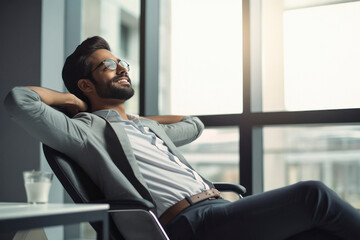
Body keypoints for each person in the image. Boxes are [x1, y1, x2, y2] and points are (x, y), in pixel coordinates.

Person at [4, 36, 360, 240]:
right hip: (188, 226)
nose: (122, 67)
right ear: (86, 84)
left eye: (121, 61)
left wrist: (137, 119)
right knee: (313, 196)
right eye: (107, 65)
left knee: (319, 232)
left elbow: (194, 123)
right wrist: (74, 101)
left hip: (222, 208)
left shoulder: (146, 128)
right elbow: (20, 101)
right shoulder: (86, 131)